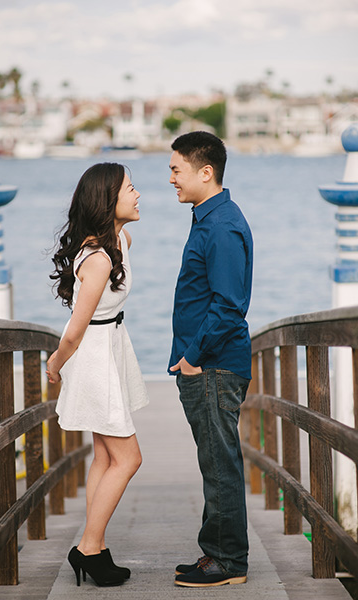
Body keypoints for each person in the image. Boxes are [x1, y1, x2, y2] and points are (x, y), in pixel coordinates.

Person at [46, 162, 149, 587]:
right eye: (129, 188)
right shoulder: (99, 258)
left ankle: (98, 547)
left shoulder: (120, 239)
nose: (138, 193)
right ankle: (87, 548)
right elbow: (76, 327)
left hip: (111, 349)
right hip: (92, 357)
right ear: (108, 200)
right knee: (129, 458)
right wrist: (55, 363)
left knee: (106, 456)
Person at [168, 131, 253, 587]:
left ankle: (228, 562)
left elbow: (228, 305)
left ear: (206, 172)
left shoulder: (220, 225)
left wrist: (193, 357)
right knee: (214, 461)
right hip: (207, 363)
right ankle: (214, 551)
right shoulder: (208, 218)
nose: (171, 179)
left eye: (176, 169)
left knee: (220, 463)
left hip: (214, 365)